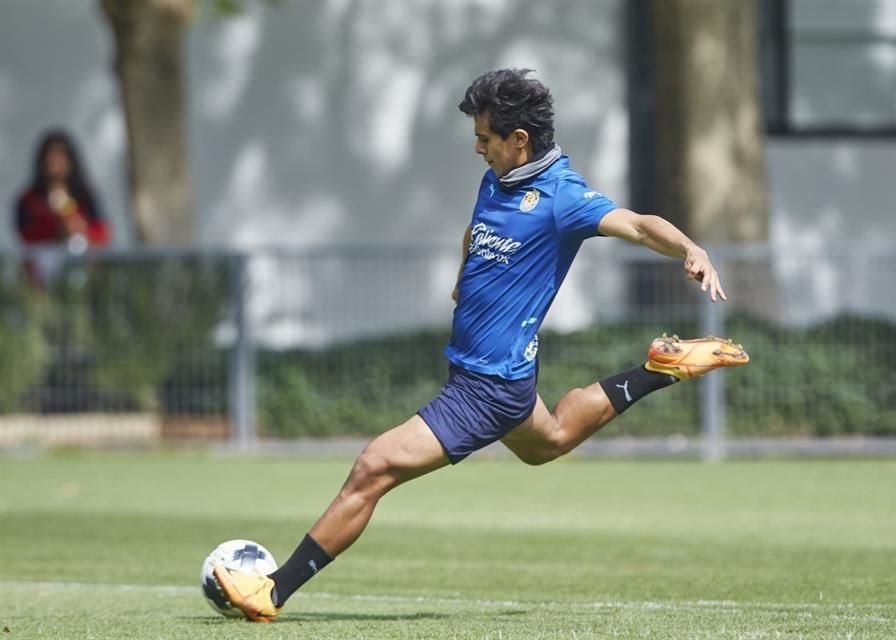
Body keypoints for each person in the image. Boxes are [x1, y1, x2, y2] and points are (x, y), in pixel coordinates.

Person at [213, 68, 749, 622]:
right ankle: (660, 368)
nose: (476, 147)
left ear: (520, 141)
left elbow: (637, 225)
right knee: (552, 439)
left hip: (486, 388)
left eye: (485, 138)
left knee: (373, 468)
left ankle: (270, 592)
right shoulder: (497, 178)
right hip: (494, 375)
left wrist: (690, 248)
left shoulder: (562, 197)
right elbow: (478, 229)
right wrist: (465, 275)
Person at [12, 129, 111, 283]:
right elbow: (25, 237)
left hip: (82, 271)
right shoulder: (29, 199)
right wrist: (55, 227)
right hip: (42, 274)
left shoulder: (85, 194)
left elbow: (102, 233)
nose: (56, 161)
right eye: (50, 157)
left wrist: (78, 226)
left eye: (61, 155)